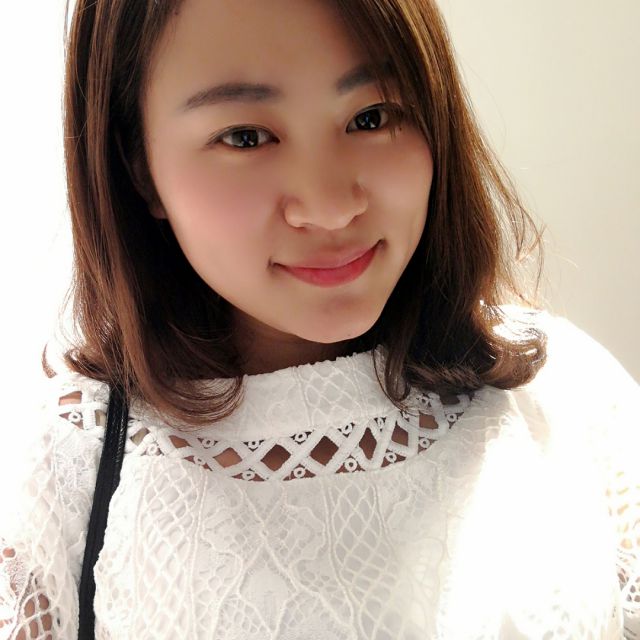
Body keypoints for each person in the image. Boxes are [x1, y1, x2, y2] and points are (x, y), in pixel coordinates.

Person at [1, 0, 638, 637]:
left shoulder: (567, 393)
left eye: (371, 117)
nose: (330, 207)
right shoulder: (58, 473)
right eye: (245, 137)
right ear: (139, 166)